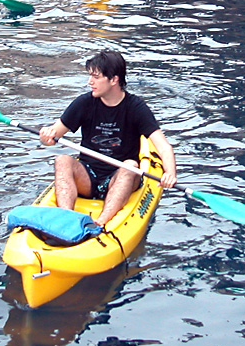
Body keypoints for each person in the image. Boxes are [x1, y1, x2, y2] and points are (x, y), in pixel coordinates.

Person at [39, 51, 177, 227]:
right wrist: (46, 136)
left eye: (96, 77)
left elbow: (164, 147)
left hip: (119, 178)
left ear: (114, 80)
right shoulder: (84, 103)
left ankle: (100, 223)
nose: (90, 82)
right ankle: (66, 217)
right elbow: (53, 136)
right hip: (88, 175)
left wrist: (170, 173)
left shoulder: (136, 107)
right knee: (63, 160)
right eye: (90, 76)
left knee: (130, 166)